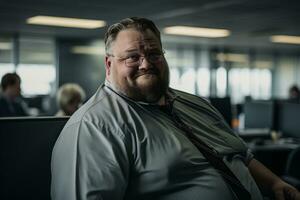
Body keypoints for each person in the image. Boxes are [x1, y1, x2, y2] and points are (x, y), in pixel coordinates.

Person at [51, 17, 300, 200]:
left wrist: (275, 183)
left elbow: (239, 155)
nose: (146, 63)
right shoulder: (95, 126)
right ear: (108, 64)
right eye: (132, 57)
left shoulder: (196, 104)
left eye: (154, 53)